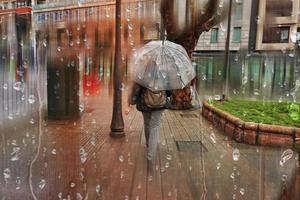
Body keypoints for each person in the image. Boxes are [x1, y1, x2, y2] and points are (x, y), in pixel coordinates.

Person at [127, 82, 168, 173]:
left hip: (144, 101)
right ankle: (151, 157)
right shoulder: (164, 70)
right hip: (160, 103)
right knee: (155, 126)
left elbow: (136, 88)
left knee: (147, 123)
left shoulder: (142, 70)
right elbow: (169, 90)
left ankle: (149, 144)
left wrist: (131, 102)